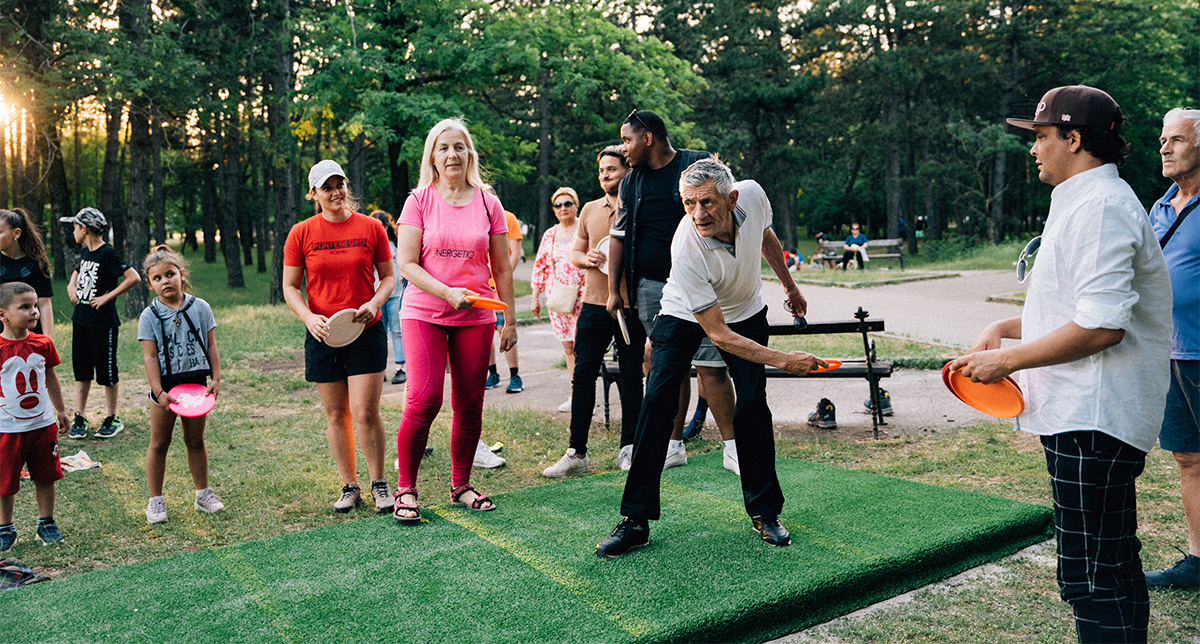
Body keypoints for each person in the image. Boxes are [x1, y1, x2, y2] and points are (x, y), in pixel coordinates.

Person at [951, 85, 1172, 642]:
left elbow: (1102, 327)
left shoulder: (1101, 209)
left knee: (1092, 575)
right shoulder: (1085, 201)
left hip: (1093, 419)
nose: (1034, 149)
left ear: (1074, 140)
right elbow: (1073, 312)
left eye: (1042, 137)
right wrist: (1004, 329)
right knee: (1110, 561)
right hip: (1082, 416)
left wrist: (1008, 361)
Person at [596, 158, 823, 558]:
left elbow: (765, 235)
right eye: (688, 203)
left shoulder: (751, 195)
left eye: (707, 203)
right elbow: (717, 334)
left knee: (752, 403)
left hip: (746, 310)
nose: (698, 214)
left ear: (731, 198)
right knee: (658, 402)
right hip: (684, 313)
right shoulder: (686, 244)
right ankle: (635, 521)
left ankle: (764, 512)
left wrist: (790, 286)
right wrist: (785, 359)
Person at [392, 118, 517, 522]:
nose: (452, 155)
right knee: (425, 398)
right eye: (444, 148)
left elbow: (502, 266)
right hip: (425, 312)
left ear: (470, 154)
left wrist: (509, 320)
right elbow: (406, 263)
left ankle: (460, 484)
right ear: (432, 155)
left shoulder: (488, 202)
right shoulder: (419, 200)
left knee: (470, 402)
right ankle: (406, 489)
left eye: (459, 147)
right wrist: (446, 292)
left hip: (477, 315)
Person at [606, 109, 737, 472]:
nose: (623, 147)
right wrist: (615, 289)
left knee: (712, 366)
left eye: (627, 139)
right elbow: (618, 237)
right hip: (654, 289)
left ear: (648, 138)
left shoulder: (697, 165)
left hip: (705, 286)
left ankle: (732, 447)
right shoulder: (631, 182)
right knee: (669, 367)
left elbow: (732, 212)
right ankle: (673, 445)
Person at [283, 160, 395, 515]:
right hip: (323, 333)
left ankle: (379, 484)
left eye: (340, 184)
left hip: (364, 328)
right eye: (327, 187)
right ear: (313, 194)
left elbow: (389, 278)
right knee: (336, 413)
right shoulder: (301, 233)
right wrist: (308, 317)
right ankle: (350, 487)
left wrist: (374, 302)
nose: (336, 192)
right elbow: (289, 287)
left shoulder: (372, 227)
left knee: (364, 411)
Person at [543, 147, 646, 477]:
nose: (604, 174)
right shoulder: (588, 209)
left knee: (631, 378)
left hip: (630, 307)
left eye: (611, 169)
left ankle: (628, 448)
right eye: (601, 170)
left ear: (626, 171)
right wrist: (585, 259)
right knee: (583, 375)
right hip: (592, 304)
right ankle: (577, 452)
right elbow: (576, 251)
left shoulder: (639, 205)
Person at [1144, 107, 1200, 590]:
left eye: (1177, 139)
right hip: (1170, 354)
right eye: (1164, 139)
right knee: (1188, 458)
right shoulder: (1159, 206)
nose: (1164, 147)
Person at [138, 246, 224, 524]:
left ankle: (203, 495)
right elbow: (150, 356)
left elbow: (211, 345)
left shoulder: (201, 308)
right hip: (164, 389)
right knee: (160, 442)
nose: (165, 281)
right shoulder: (149, 316)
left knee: (195, 440)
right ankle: (155, 501)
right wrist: (159, 391)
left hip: (196, 385)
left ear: (181, 275)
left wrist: (216, 378)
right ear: (150, 283)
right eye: (158, 278)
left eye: (170, 274)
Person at [61, 207, 141, 440]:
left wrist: (108, 297)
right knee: (82, 371)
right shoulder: (87, 251)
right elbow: (77, 271)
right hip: (81, 321)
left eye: (75, 228)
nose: (73, 232)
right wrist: (70, 286)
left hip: (102, 323)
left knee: (106, 372)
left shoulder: (107, 253)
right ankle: (80, 415)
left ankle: (112, 417)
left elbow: (133, 277)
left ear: (84, 229)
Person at [0, 282, 69, 551]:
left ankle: (46, 523)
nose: (34, 312)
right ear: (3, 314)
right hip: (7, 428)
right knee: (5, 481)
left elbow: (50, 377)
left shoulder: (43, 343)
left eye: (35, 306)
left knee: (45, 475)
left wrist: (61, 410)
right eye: (25, 307)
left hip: (42, 425)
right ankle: (5, 527)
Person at [531, 186, 586, 414]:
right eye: (558, 205)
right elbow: (540, 267)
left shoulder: (583, 228)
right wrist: (535, 296)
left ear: (576, 205)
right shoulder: (550, 234)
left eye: (567, 203)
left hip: (584, 297)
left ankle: (586, 396)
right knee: (569, 348)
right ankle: (575, 395)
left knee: (585, 348)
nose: (563, 208)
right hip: (559, 300)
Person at [483, 186, 525, 397]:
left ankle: (515, 375)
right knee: (486, 331)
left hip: (499, 283)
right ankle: (493, 373)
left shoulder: (508, 217)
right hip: (480, 285)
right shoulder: (476, 216)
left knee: (504, 328)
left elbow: (515, 253)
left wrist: (503, 279)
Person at [0, 209, 54, 338]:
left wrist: (47, 340)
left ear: (16, 233)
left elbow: (44, 304)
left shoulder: (37, 263)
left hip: (31, 335)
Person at [370, 210, 407, 386]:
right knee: (380, 332)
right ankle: (381, 369)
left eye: (382, 227)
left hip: (396, 294)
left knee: (397, 331)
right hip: (376, 296)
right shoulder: (369, 245)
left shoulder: (396, 244)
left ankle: (401, 368)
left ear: (387, 226)